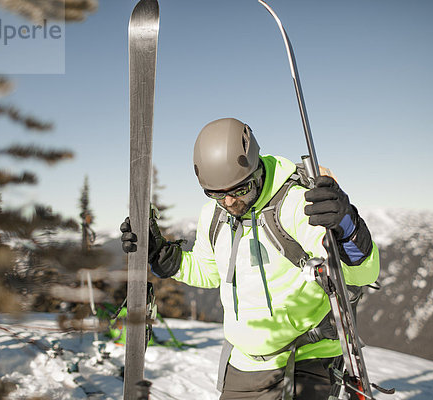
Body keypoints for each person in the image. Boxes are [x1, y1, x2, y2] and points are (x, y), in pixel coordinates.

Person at [121, 117, 380, 400]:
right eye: (217, 194)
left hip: (308, 354)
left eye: (240, 190)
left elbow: (360, 275)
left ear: (256, 169)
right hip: (246, 362)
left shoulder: (296, 204)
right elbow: (210, 273)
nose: (230, 202)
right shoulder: (214, 215)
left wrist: (347, 227)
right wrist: (162, 255)